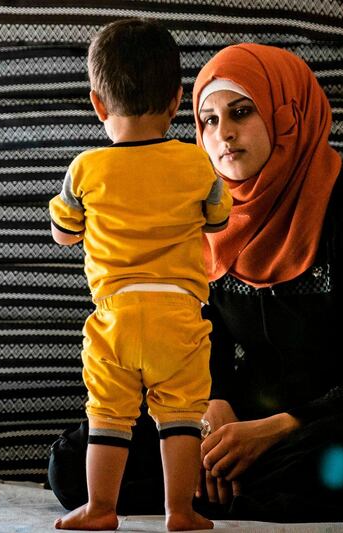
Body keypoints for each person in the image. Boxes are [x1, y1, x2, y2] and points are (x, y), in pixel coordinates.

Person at [48, 42, 343, 523]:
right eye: (208, 120)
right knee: (71, 466)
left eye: (241, 113)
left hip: (331, 419)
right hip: (238, 412)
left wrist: (276, 430)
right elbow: (204, 336)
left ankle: (221, 489)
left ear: (286, 115)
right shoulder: (205, 213)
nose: (222, 135)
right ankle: (224, 488)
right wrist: (212, 411)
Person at [48, 18, 231, 531]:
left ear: (98, 104)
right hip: (179, 315)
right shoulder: (197, 165)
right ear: (177, 102)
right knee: (179, 418)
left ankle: (101, 508)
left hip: (117, 316)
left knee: (107, 416)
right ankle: (182, 511)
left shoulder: (85, 169)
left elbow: (64, 232)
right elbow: (219, 219)